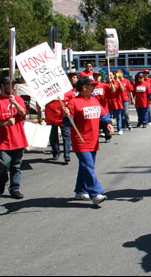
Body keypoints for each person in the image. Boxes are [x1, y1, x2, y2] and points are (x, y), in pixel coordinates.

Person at [62, 77, 114, 206]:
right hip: (80, 140)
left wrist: (107, 123)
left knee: (85, 166)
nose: (94, 87)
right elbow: (68, 123)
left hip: (93, 140)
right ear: (84, 87)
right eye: (91, 85)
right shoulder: (74, 102)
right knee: (88, 166)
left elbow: (103, 115)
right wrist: (66, 115)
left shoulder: (94, 100)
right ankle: (95, 193)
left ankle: (80, 190)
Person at [0, 76, 28, 199]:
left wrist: (15, 103)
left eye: (14, 84)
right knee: (4, 166)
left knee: (16, 166)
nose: (14, 87)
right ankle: (2, 180)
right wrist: (5, 123)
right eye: (11, 84)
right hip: (3, 141)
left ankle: (14, 189)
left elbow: (23, 113)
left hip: (18, 139)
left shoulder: (18, 99)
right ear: (2, 86)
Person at [37, 88, 74, 164]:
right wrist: (39, 114)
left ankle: (67, 155)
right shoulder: (46, 90)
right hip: (51, 117)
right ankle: (56, 152)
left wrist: (68, 109)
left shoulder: (67, 91)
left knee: (66, 135)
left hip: (64, 117)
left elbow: (72, 101)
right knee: (53, 136)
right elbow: (39, 101)